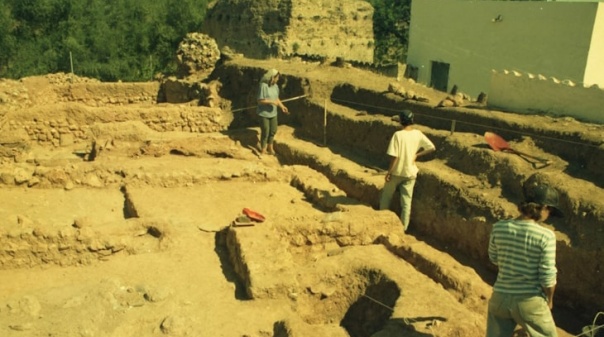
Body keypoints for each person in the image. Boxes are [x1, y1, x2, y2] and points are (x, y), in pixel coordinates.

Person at [486, 182, 563, 337]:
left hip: (499, 298)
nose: (549, 217)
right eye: (550, 211)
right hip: (529, 301)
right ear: (543, 208)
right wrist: (549, 300)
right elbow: (547, 277)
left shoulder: (499, 227)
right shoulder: (546, 236)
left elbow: (494, 258)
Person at [379, 109, 435, 231]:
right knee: (406, 203)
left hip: (397, 173)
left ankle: (380, 223)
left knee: (386, 198)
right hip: (410, 174)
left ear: (401, 121)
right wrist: (417, 155)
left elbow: (395, 157)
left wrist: (389, 172)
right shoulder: (418, 134)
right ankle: (403, 229)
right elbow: (431, 147)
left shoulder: (398, 135)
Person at [256, 68, 289, 155]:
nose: (277, 79)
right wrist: (271, 102)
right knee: (265, 130)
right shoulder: (263, 86)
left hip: (273, 113)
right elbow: (260, 100)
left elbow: (277, 98)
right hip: (264, 113)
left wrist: (282, 106)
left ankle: (270, 147)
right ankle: (263, 149)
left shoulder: (276, 87)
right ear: (272, 77)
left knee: (273, 130)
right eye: (276, 77)